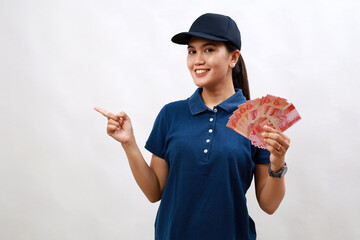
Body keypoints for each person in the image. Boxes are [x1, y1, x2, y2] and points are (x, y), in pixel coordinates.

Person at [94, 13, 290, 240]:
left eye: (209, 49)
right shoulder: (171, 114)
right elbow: (154, 191)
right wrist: (129, 143)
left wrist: (278, 164)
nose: (197, 60)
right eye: (191, 51)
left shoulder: (257, 120)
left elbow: (269, 205)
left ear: (233, 57)